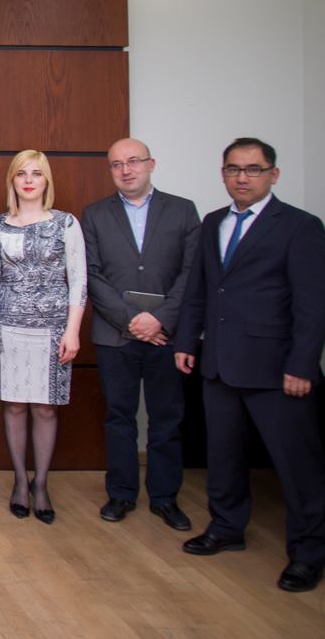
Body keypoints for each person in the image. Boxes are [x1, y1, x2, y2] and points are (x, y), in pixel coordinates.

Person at [174, 137, 325, 593]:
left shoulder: (300, 227)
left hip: (278, 369)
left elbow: (313, 305)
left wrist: (302, 365)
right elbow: (200, 289)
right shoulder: (213, 222)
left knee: (297, 465)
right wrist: (187, 341)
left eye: (253, 169)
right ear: (223, 174)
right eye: (233, 169)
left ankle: (309, 553)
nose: (242, 177)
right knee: (223, 456)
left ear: (273, 175)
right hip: (219, 362)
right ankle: (226, 527)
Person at [82, 138, 199, 530]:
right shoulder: (95, 214)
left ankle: (165, 498)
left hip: (166, 336)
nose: (125, 170)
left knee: (167, 418)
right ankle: (121, 493)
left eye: (133, 161)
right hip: (116, 335)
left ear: (151, 164)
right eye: (116, 164)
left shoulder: (183, 210)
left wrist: (159, 320)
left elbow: (192, 272)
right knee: (119, 416)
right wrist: (131, 320)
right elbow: (92, 274)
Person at [0, 150, 86, 524]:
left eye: (36, 174)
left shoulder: (65, 223)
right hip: (9, 327)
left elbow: (78, 280)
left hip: (53, 329)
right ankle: (19, 482)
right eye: (22, 174)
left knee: (45, 408)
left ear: (46, 181)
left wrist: (73, 330)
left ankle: (41, 484)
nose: (29, 180)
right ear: (12, 180)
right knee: (13, 406)